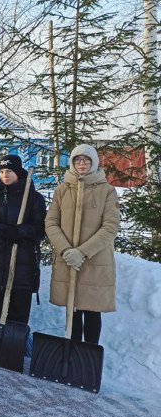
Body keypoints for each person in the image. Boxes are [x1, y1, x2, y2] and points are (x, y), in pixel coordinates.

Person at [45, 144, 119, 345]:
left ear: (94, 162)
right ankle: (72, 350)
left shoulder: (107, 191)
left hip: (95, 260)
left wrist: (82, 252)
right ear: (72, 163)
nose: (82, 163)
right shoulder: (62, 190)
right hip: (68, 258)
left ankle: (88, 353)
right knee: (73, 308)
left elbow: (110, 227)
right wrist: (67, 250)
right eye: (78, 160)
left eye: (86, 160)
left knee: (92, 310)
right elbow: (51, 222)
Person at [0, 155, 46, 324]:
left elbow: (40, 228)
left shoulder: (33, 198)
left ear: (18, 173)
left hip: (22, 262)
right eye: (1, 171)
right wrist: (1, 230)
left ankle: (14, 345)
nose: (4, 175)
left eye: (9, 171)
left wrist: (19, 231)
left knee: (18, 310)